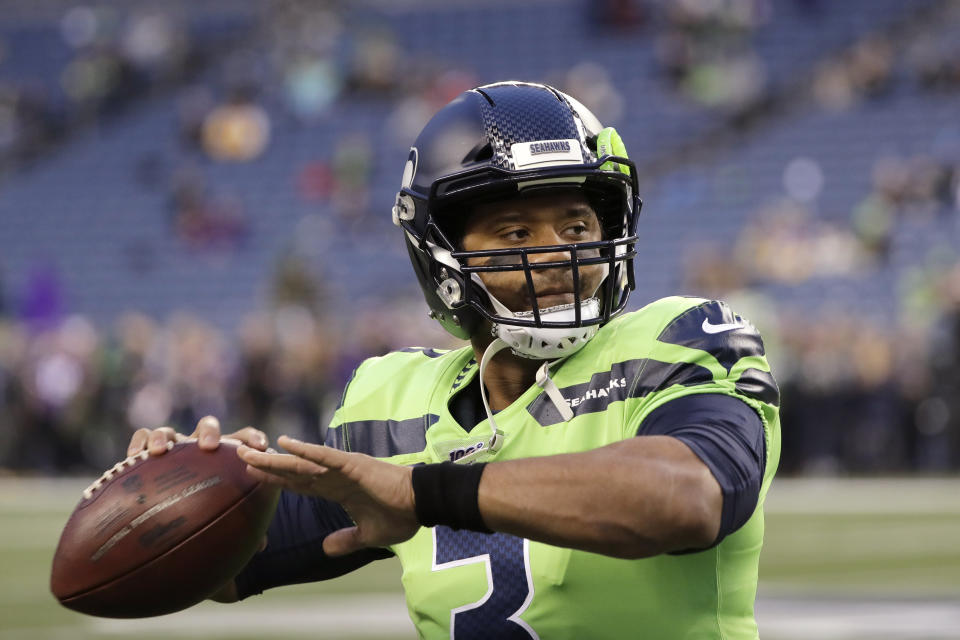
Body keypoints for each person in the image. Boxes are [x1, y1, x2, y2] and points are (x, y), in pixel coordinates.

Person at [128, 81, 780, 638]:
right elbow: (228, 568)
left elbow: (687, 498)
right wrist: (174, 493)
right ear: (440, 257)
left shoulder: (680, 339)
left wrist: (424, 493)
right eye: (517, 232)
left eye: (578, 226)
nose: (557, 252)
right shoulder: (396, 403)